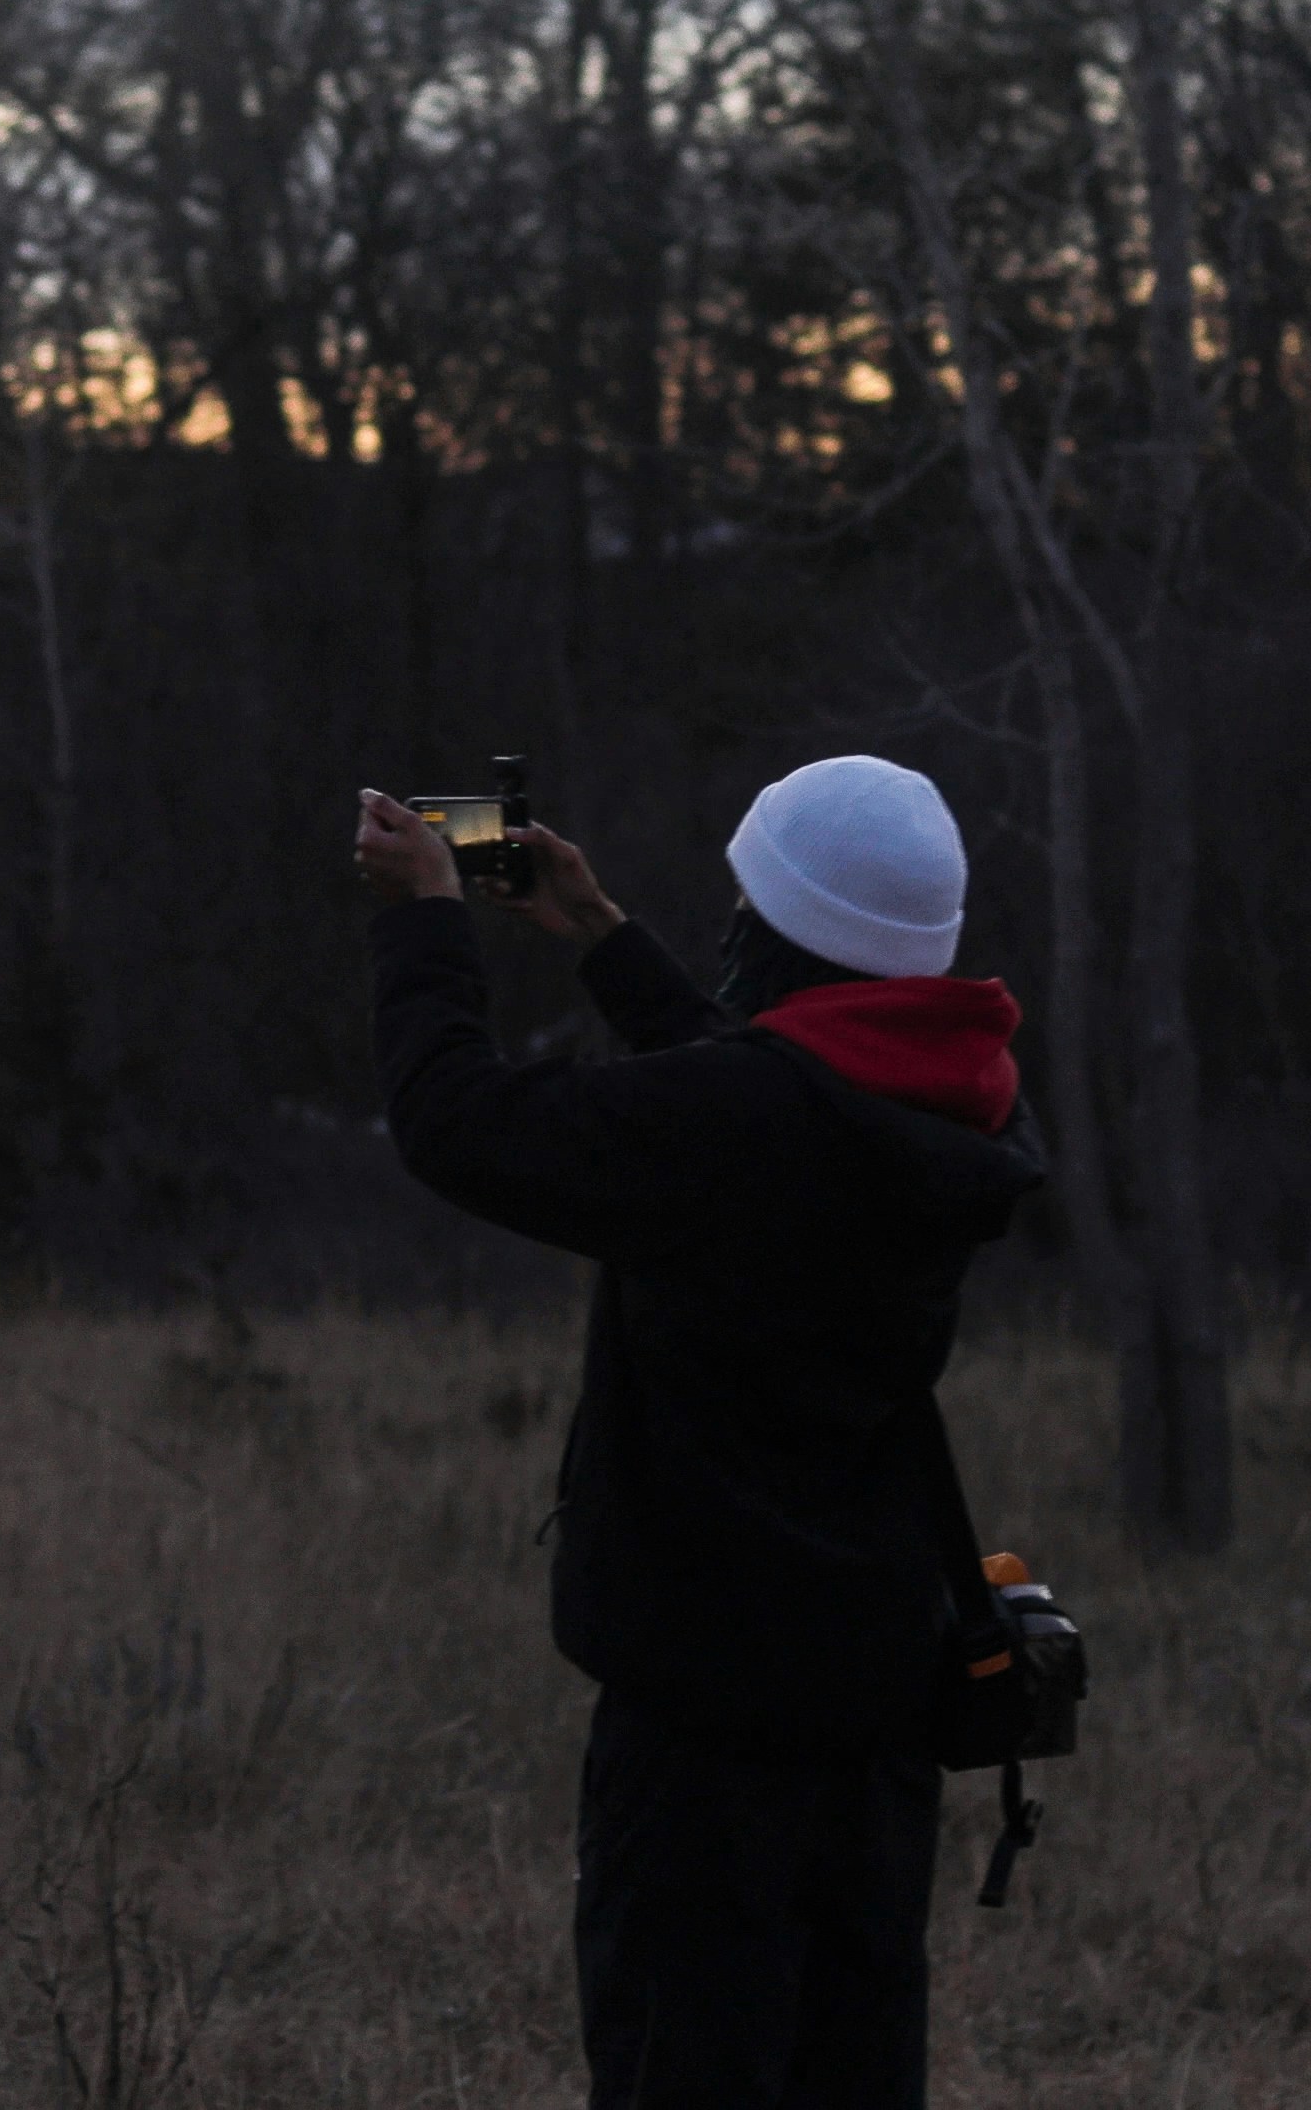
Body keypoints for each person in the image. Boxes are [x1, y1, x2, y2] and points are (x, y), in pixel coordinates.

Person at [351, 756, 1045, 2110]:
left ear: (770, 933)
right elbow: (772, 1090)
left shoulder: (742, 1129)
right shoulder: (960, 1104)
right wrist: (605, 940)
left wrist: (426, 917)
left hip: (707, 1725)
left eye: (742, 905)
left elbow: (456, 1126)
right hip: (874, 1702)